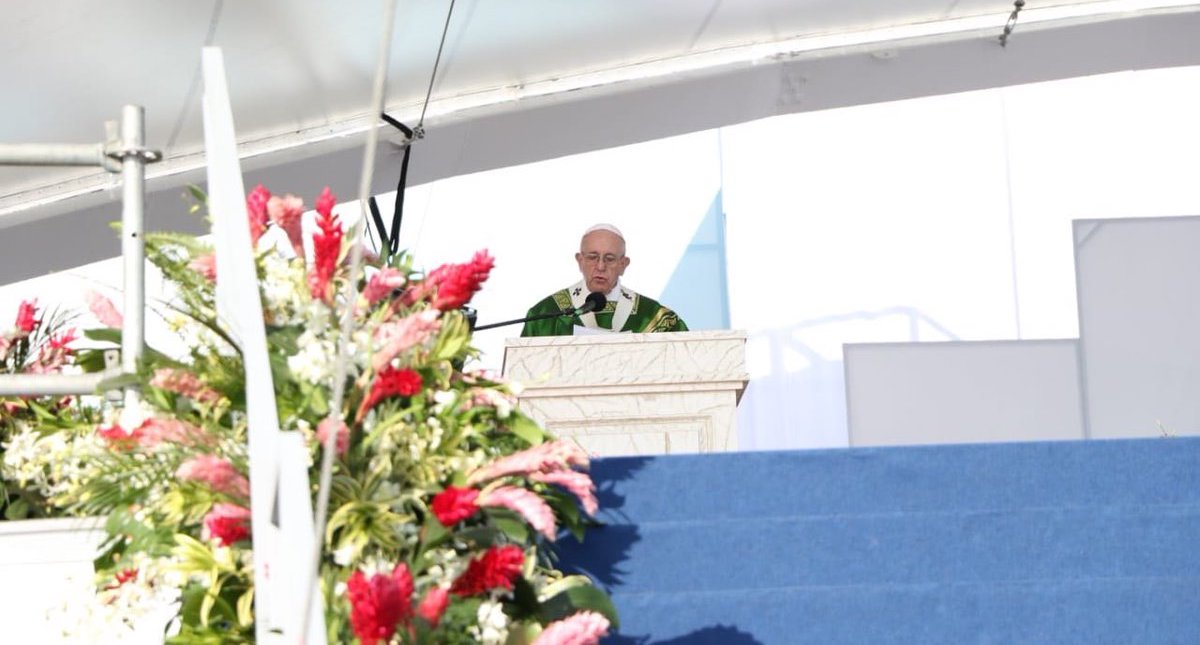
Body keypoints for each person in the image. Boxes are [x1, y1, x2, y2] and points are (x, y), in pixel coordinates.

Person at [520, 223, 689, 337]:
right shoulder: (545, 315)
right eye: (593, 257)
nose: (600, 266)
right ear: (580, 260)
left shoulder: (654, 317)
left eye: (609, 258)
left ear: (623, 264)